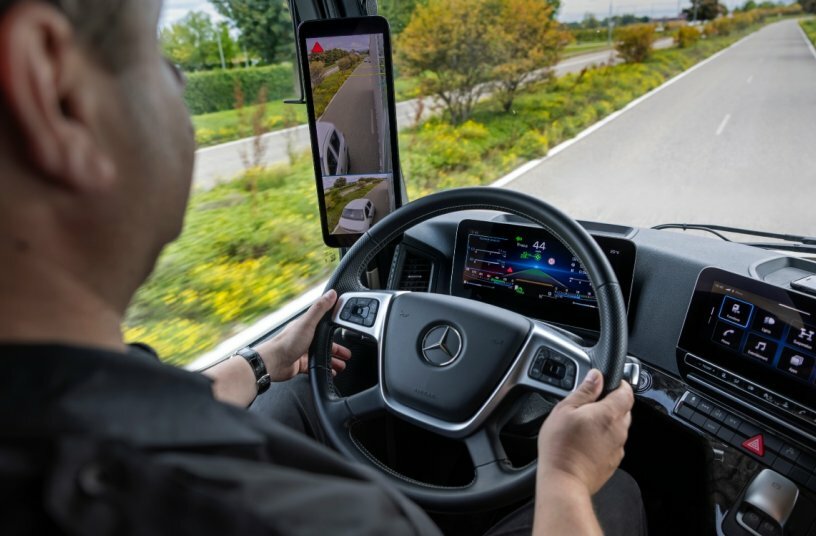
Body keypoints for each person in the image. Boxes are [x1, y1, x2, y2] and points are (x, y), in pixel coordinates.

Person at [0, 0, 645, 534]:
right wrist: (564, 480)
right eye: (162, 62)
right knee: (615, 497)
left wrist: (267, 360)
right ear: (53, 91)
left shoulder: (83, 399)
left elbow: (147, 401)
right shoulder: (312, 519)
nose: (182, 96)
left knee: (287, 396)